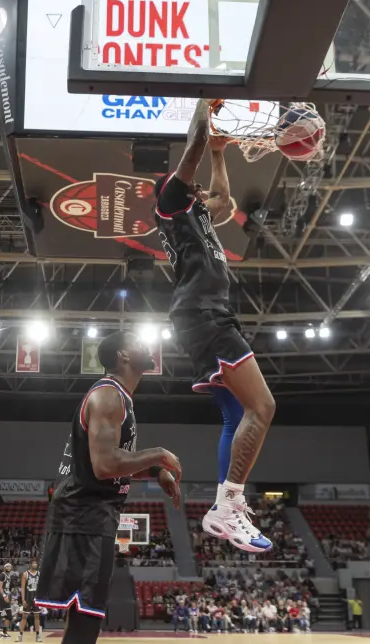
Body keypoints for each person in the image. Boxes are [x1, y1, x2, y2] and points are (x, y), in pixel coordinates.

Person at [154, 98, 275, 553]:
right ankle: (228, 505)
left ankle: (228, 509)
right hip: (203, 315)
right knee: (262, 408)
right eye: (194, 188)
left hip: (203, 316)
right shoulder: (170, 202)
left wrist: (223, 153)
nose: (201, 193)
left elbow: (223, 199)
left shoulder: (199, 215)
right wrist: (205, 106)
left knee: (236, 414)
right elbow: (194, 146)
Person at [34, 331, 182, 644]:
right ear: (123, 356)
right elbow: (104, 466)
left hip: (88, 513)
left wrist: (155, 471)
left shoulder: (119, 397)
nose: (145, 343)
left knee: (86, 616)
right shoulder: (108, 396)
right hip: (83, 513)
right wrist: (157, 454)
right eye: (137, 341)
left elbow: (112, 462)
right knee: (87, 616)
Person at [18, 558, 42, 642]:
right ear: (30, 564)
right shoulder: (25, 574)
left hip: (36, 599)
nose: (35, 564)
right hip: (28, 598)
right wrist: (23, 599)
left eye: (36, 563)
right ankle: (20, 635)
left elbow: (41, 587)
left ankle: (38, 635)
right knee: (24, 616)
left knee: (37, 616)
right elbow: (23, 588)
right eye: (33, 563)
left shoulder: (39, 574)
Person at [0, 563, 15, 639]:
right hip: (0, 596)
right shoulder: (2, 575)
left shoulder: (9, 575)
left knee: (9, 616)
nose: (9, 567)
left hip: (6, 595)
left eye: (10, 566)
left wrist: (9, 597)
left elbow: (7, 588)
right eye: (7, 566)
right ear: (4, 567)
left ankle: (4, 632)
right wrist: (4, 595)